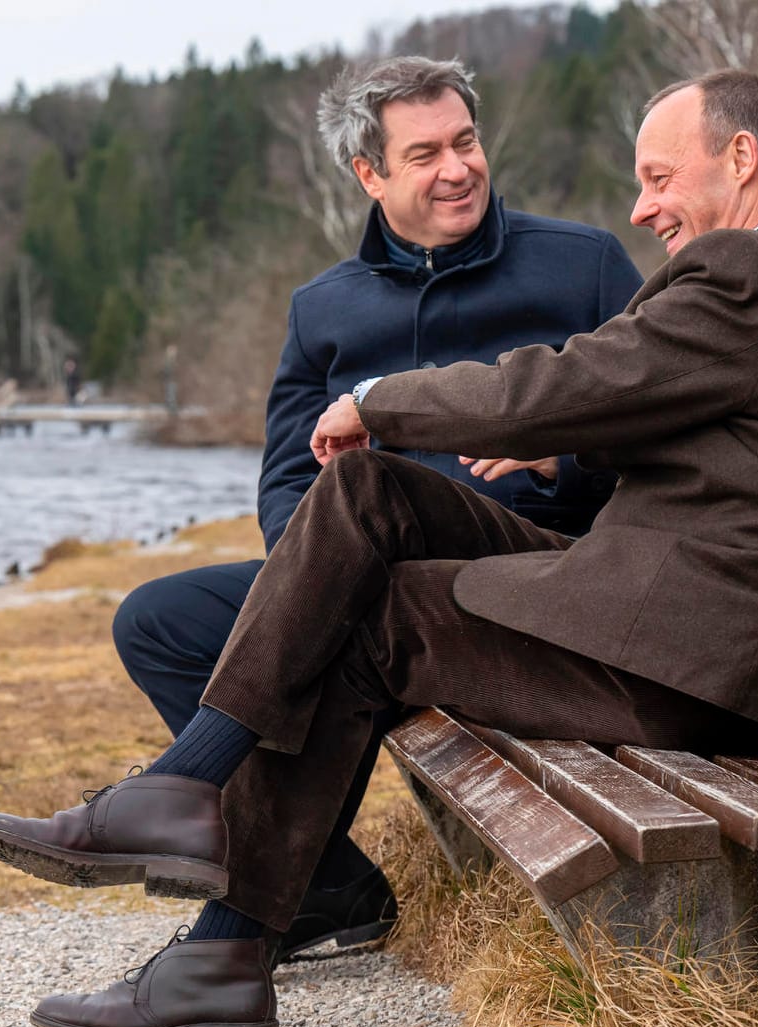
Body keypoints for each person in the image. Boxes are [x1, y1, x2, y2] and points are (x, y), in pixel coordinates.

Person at [0, 70, 758, 1027]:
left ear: (742, 157)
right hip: (683, 625)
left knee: (374, 622)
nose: (641, 208)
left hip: (684, 656)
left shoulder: (756, 273)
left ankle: (219, 946)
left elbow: (577, 376)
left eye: (657, 177)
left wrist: (381, 399)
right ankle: (183, 800)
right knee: (369, 493)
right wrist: (578, 444)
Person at [109, 55, 642, 968]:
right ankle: (327, 886)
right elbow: (286, 479)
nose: (457, 169)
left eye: (465, 142)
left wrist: (561, 463)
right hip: (360, 577)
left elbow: (656, 438)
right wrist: (308, 571)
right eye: (425, 152)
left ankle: (229, 906)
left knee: (332, 627)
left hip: (527, 588)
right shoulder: (323, 308)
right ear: (370, 174)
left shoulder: (583, 266)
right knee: (157, 622)